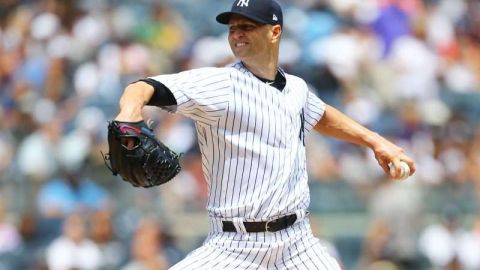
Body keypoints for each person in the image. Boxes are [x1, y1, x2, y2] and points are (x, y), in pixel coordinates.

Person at [114, 0, 416, 269]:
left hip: (297, 244)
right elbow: (141, 88)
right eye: (232, 28)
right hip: (232, 246)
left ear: (275, 32)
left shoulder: (296, 88)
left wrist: (375, 141)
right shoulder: (220, 85)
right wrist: (129, 113)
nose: (236, 34)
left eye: (247, 26)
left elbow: (321, 115)